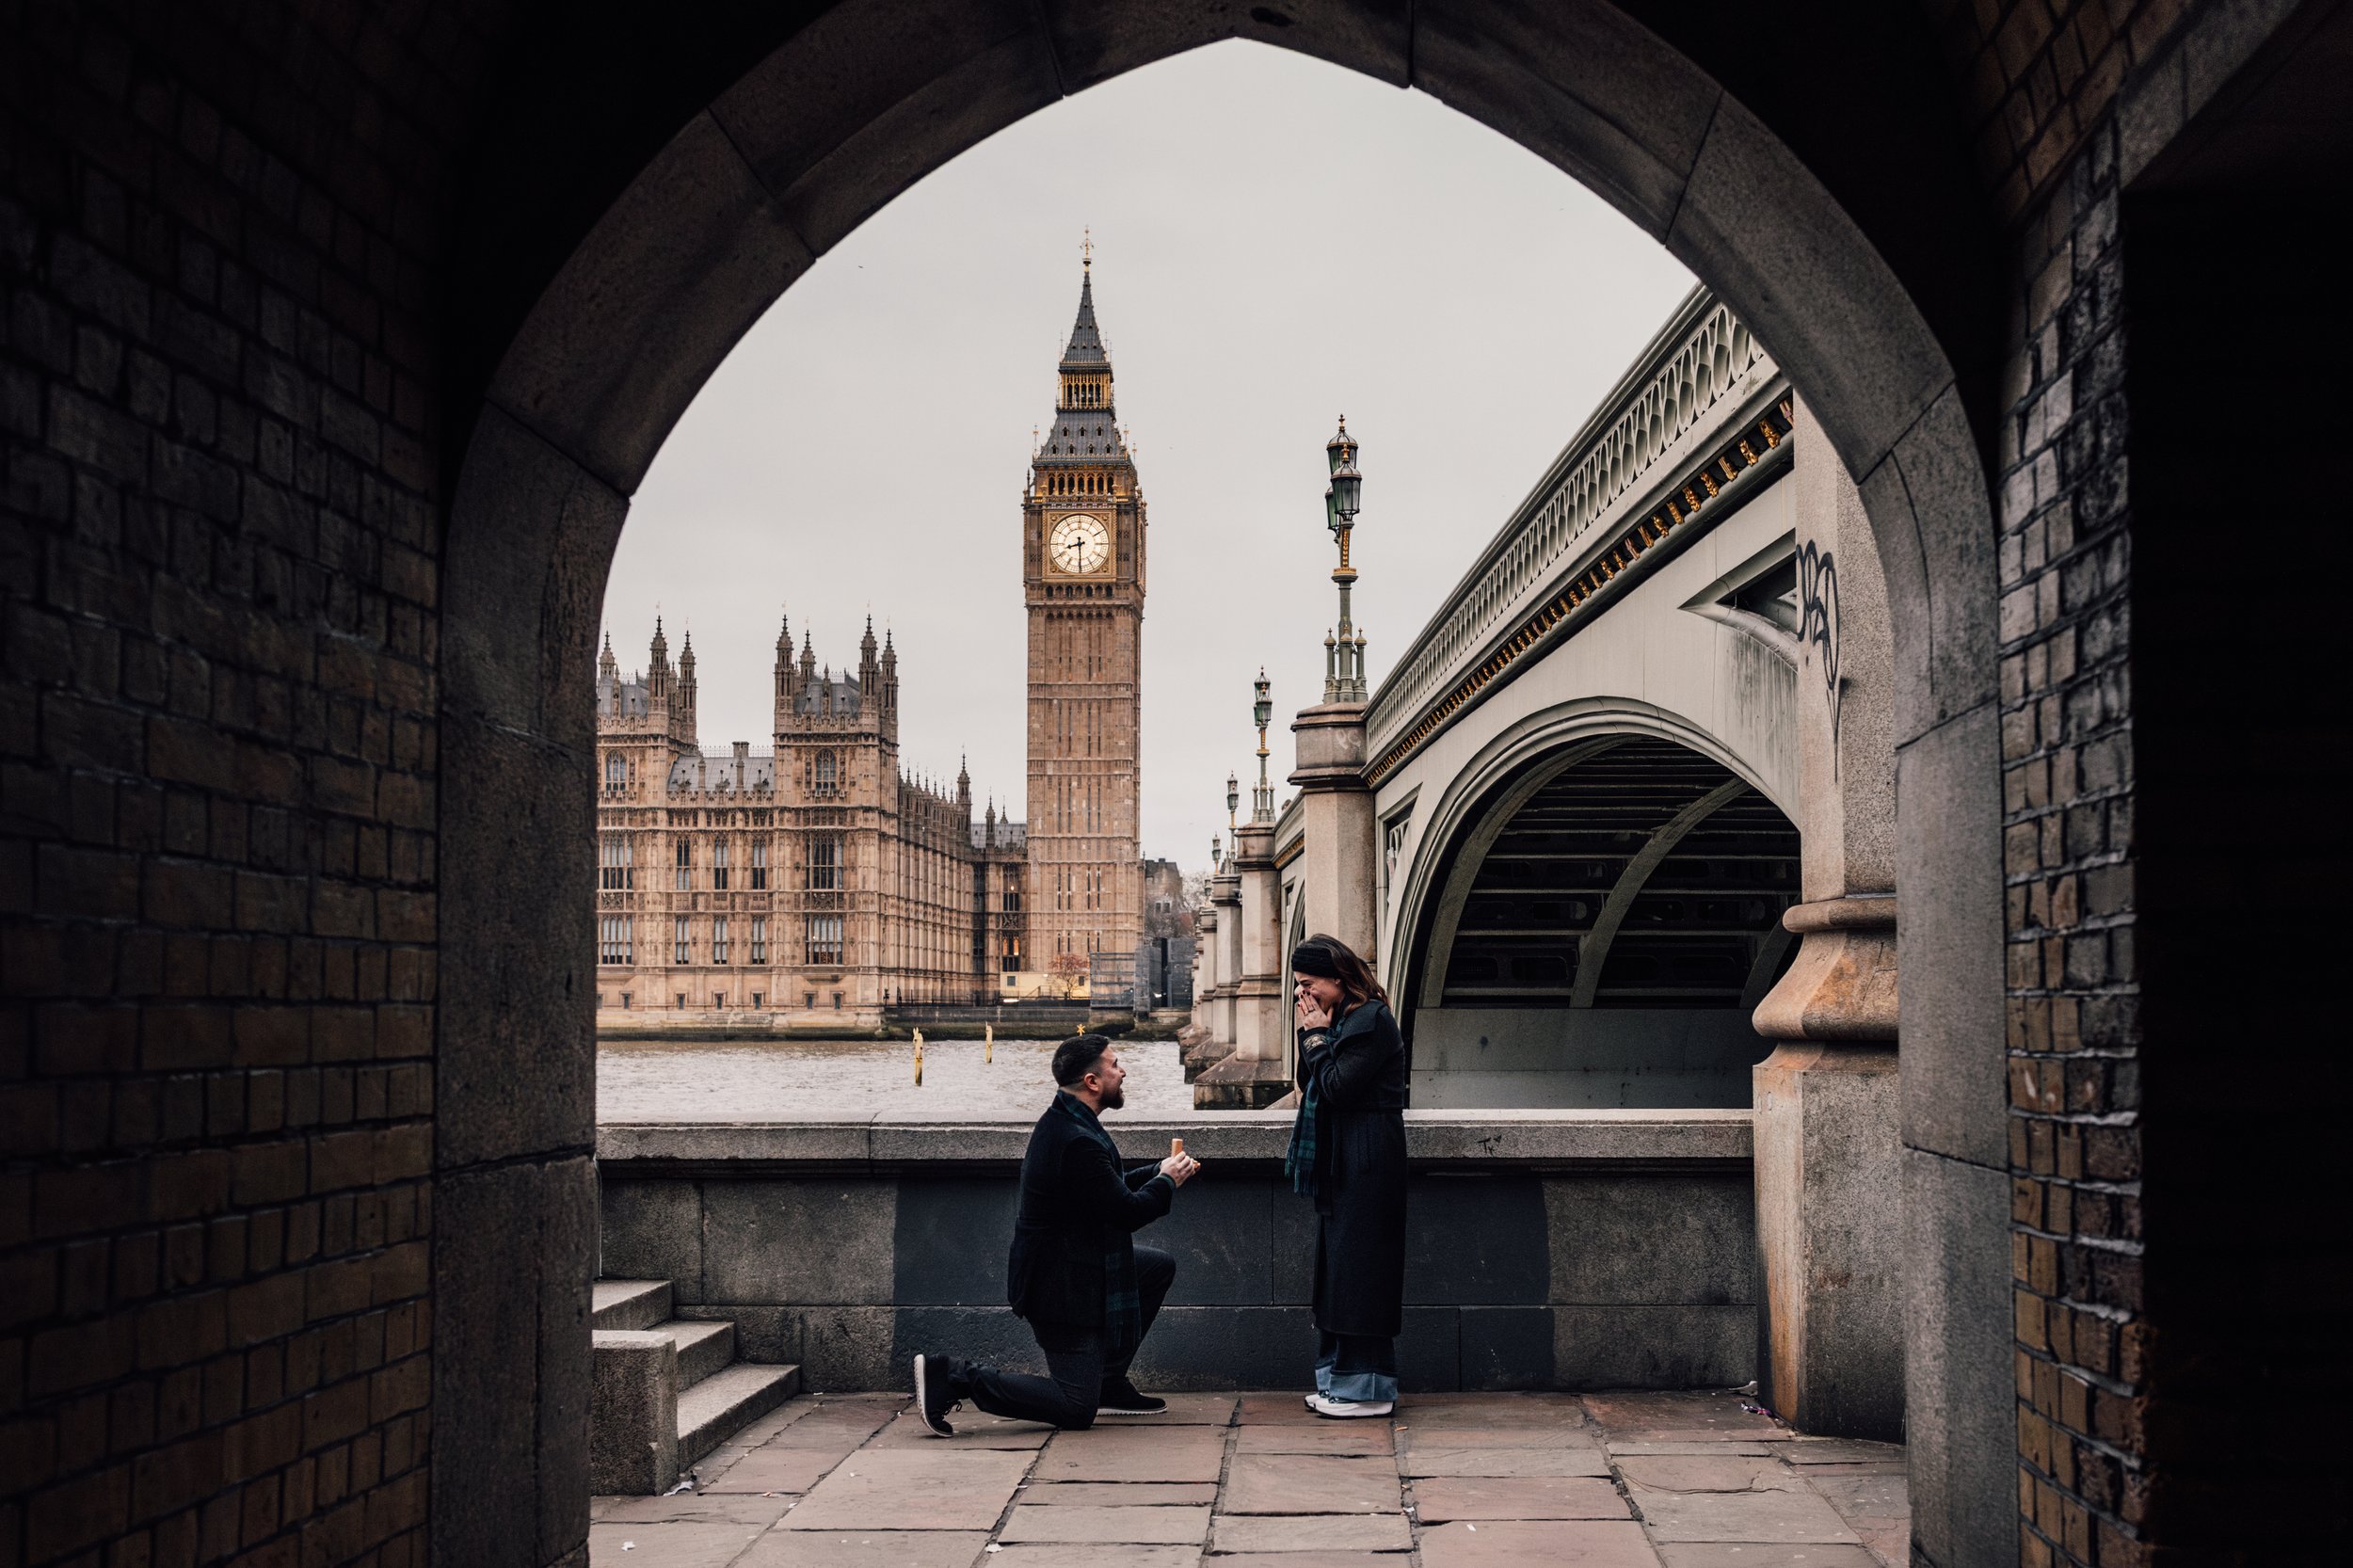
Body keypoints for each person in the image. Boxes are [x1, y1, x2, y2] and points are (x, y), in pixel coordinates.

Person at [913, 1033, 1199, 1433]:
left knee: (1154, 1267)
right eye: (1115, 1064)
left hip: (1076, 1266)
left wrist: (1157, 1172)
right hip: (1059, 1286)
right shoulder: (1076, 1139)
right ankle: (956, 1376)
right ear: (1092, 1082)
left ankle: (1108, 1380)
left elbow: (1106, 1187)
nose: (1123, 1070)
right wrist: (1167, 1182)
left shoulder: (1069, 1123)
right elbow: (1125, 1212)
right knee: (1074, 1408)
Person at [1284, 933, 1408, 1417]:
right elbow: (1307, 1080)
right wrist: (1312, 1032)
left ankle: (1369, 1390)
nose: (1303, 996)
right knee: (1338, 1274)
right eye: (1297, 988)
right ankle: (1339, 1381)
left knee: (1361, 1275)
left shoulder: (1372, 1019)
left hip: (1368, 1157)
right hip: (1345, 1158)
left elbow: (1337, 1087)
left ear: (1338, 977)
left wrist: (1315, 1036)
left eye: (1309, 984)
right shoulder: (1342, 1020)